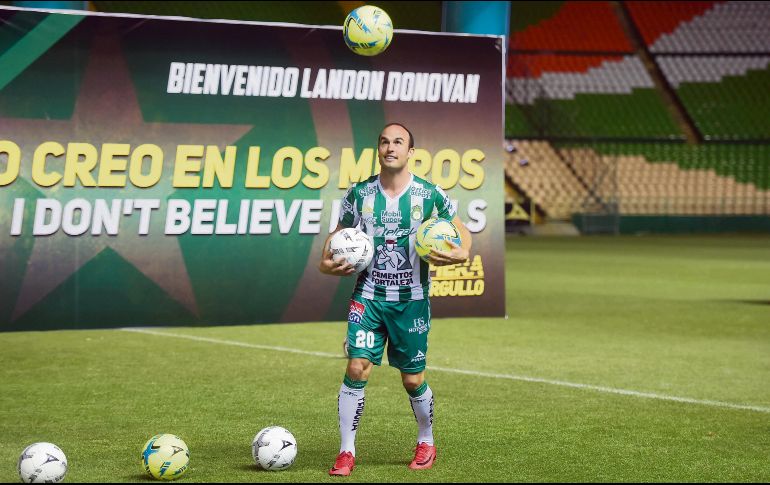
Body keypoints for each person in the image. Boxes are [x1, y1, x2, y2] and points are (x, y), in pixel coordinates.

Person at [318, 123, 472, 476]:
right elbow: (338, 233)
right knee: (356, 366)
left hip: (411, 301)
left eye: (398, 142)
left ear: (410, 152)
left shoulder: (429, 194)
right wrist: (325, 261)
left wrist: (463, 250)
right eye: (385, 141)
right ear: (378, 149)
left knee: (412, 380)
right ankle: (346, 451)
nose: (391, 147)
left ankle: (426, 440)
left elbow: (459, 226)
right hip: (368, 297)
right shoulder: (359, 194)